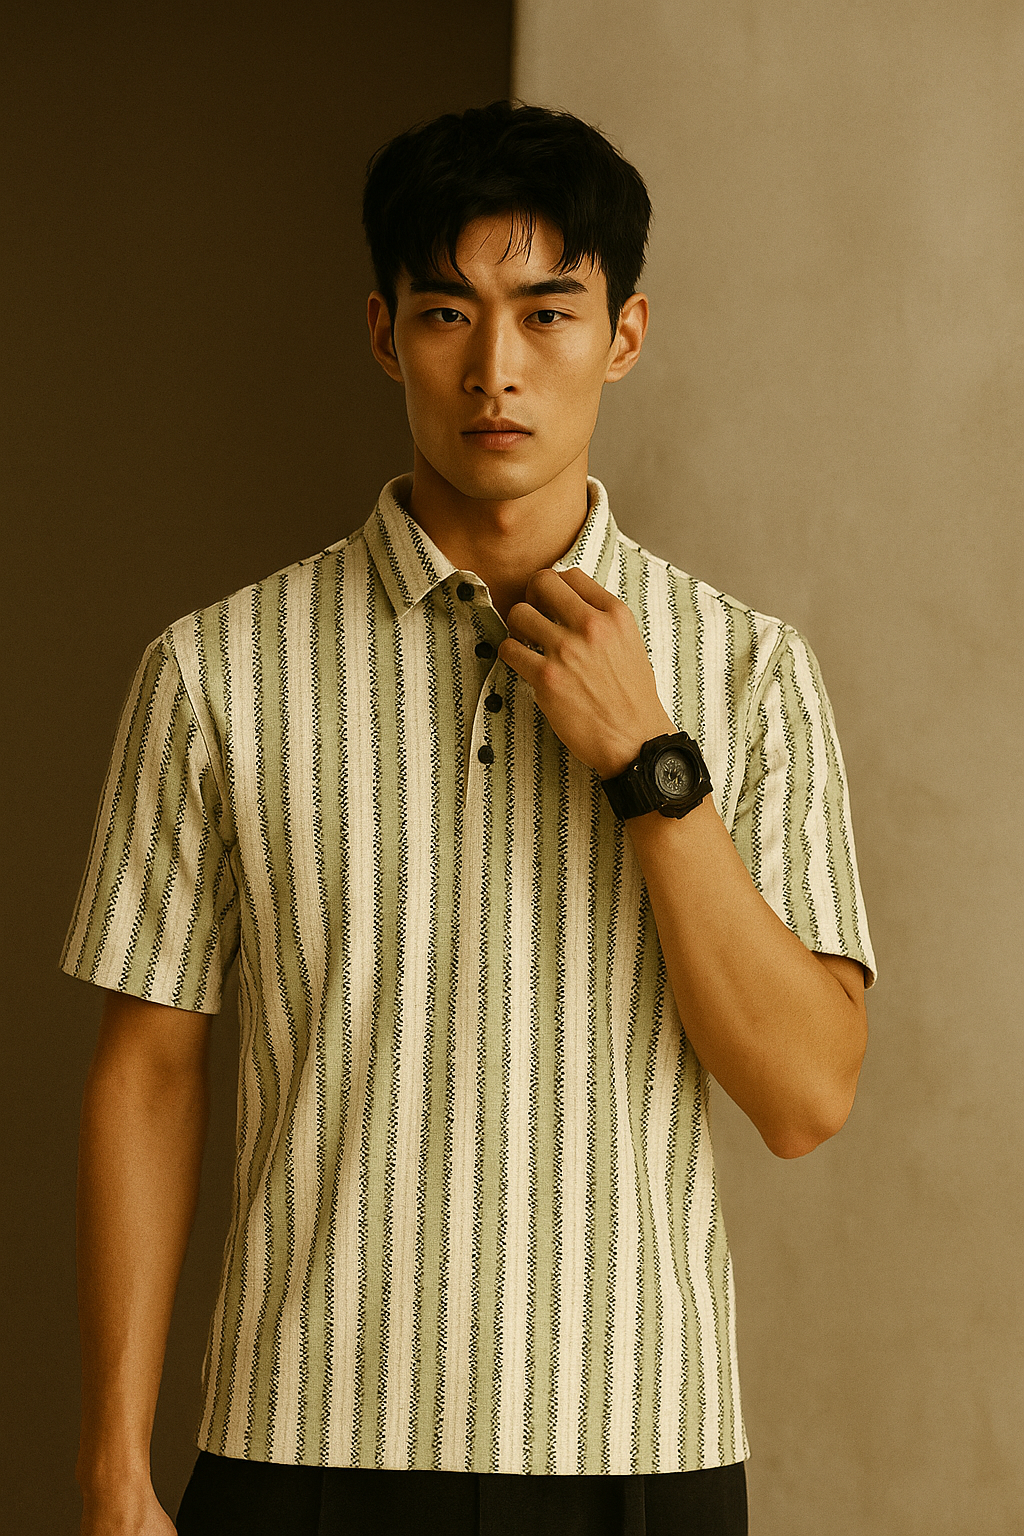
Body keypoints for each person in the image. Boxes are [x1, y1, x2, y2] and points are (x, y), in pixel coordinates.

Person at [64, 100, 875, 1536]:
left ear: (623, 335)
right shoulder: (217, 671)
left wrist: (651, 764)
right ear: (386, 333)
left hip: (638, 1449)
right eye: (449, 312)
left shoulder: (749, 671)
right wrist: (114, 1469)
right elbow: (150, 1073)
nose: (496, 368)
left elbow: (806, 1097)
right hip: (301, 1448)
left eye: (548, 314)